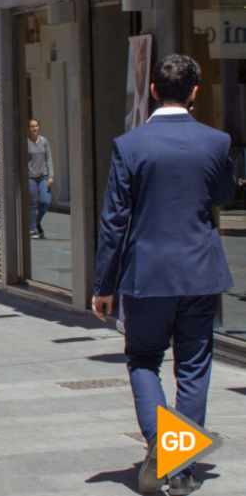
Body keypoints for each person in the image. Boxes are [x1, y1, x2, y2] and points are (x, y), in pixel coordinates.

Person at [93, 54, 235, 496]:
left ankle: (161, 447)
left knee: (142, 359)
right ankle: (181, 465)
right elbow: (226, 193)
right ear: (194, 92)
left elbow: (114, 221)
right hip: (199, 272)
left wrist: (104, 286)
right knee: (193, 367)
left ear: (152, 90)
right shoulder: (216, 141)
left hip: (146, 275)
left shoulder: (129, 145)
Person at [27, 119, 54, 239]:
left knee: (45, 201)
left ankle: (37, 222)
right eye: (32, 126)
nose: (35, 128)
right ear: (28, 128)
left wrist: (51, 176)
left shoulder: (44, 141)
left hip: (43, 176)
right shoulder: (26, 142)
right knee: (33, 203)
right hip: (31, 177)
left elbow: (48, 158)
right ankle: (32, 229)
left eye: (36, 126)